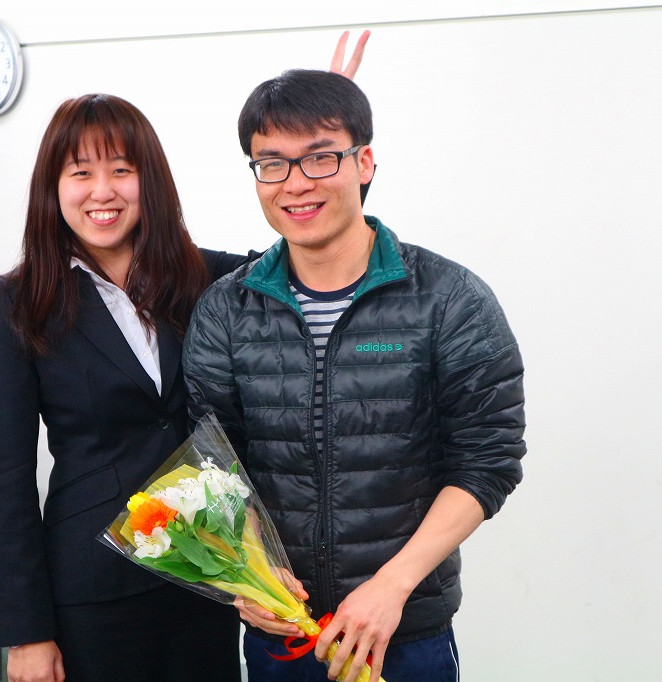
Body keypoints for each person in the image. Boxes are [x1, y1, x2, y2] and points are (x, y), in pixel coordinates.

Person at [0, 34, 370, 682]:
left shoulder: (203, 277)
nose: (102, 191)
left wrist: (322, 143)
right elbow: (7, 481)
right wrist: (26, 633)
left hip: (209, 580)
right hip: (92, 590)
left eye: (120, 170)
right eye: (80, 172)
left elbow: (314, 248)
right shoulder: (20, 302)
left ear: (148, 181)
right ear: (54, 186)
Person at [182, 68, 527, 682]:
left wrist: (391, 586)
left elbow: (488, 461)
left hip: (403, 631)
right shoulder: (226, 310)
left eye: (321, 158)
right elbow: (217, 464)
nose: (296, 183)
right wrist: (247, 573)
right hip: (280, 634)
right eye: (272, 164)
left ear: (364, 162)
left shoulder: (449, 299)